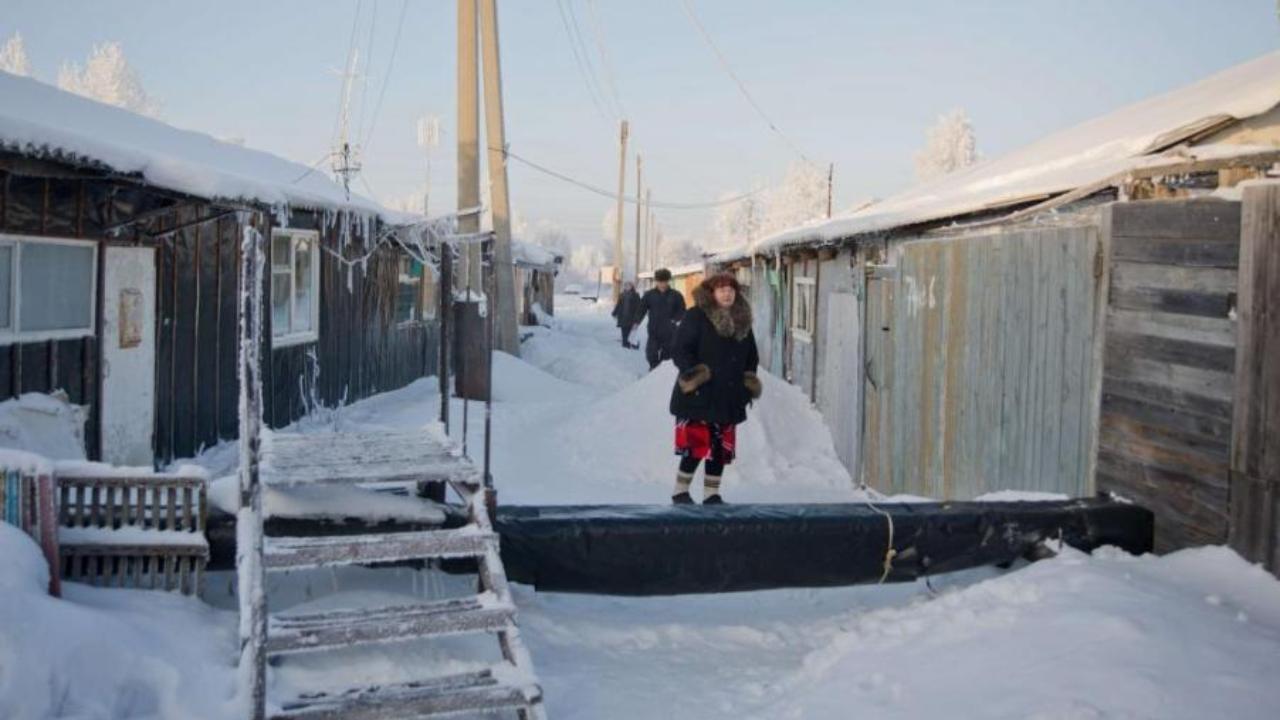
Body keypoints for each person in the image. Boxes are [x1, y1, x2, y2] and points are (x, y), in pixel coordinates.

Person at [668, 272, 760, 505]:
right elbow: (680, 349)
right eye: (721, 289)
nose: (727, 293)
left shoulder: (743, 321)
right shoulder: (696, 316)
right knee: (696, 447)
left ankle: (711, 495)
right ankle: (680, 492)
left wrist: (748, 385)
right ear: (712, 293)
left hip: (729, 395)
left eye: (730, 289)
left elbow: (752, 356)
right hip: (700, 394)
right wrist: (695, 376)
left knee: (720, 449)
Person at [634, 268, 686, 370]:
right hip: (654, 330)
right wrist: (636, 321)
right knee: (651, 354)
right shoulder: (649, 295)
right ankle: (654, 369)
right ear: (656, 281)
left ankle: (661, 373)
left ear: (668, 281)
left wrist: (676, 319)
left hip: (670, 331)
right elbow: (641, 309)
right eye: (660, 282)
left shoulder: (676, 295)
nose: (662, 284)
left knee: (667, 356)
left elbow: (682, 310)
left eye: (665, 281)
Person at [611, 282, 642, 349]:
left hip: (631, 317)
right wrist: (614, 312)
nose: (627, 287)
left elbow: (639, 307)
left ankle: (628, 344)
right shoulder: (622, 295)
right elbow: (618, 305)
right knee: (624, 331)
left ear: (632, 287)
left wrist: (637, 318)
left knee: (629, 332)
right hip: (622, 317)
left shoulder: (635, 295)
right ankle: (627, 344)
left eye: (629, 286)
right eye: (626, 286)